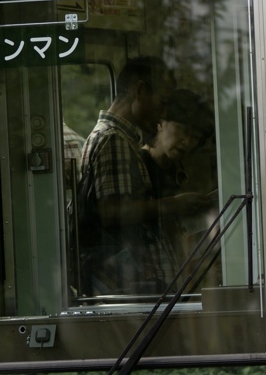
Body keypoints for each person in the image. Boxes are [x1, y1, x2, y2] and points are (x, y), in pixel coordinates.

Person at [78, 56, 172, 297]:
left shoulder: (110, 137)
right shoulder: (114, 140)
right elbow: (112, 212)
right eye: (161, 102)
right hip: (136, 285)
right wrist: (172, 206)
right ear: (139, 90)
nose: (162, 113)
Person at [141, 89, 216, 274]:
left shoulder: (177, 170)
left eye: (195, 137)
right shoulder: (139, 165)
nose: (187, 141)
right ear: (160, 123)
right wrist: (174, 205)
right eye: (182, 130)